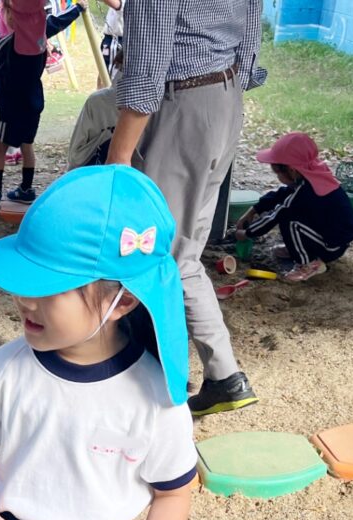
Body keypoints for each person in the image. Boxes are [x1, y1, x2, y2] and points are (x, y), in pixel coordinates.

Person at [0, 165, 196, 520]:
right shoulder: (4, 371)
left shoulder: (155, 398)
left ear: (121, 301)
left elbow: (174, 493)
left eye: (48, 289)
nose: (24, 299)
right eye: (24, 281)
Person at [107, 0, 265, 418]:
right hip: (224, 95)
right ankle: (224, 377)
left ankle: (155, 380)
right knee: (183, 254)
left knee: (150, 251)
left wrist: (118, 158)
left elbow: (148, 68)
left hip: (182, 104)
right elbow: (250, 24)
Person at [0, 0, 90, 207]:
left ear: (11, 15)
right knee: (27, 145)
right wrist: (78, 8)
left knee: (0, 146)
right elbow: (60, 21)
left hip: (10, 103)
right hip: (33, 101)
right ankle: (26, 189)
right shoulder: (42, 37)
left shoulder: (6, 43)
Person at [235, 132, 353, 283]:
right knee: (293, 213)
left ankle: (308, 264)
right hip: (333, 238)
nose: (277, 177)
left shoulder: (306, 191)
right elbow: (282, 194)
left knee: (289, 220)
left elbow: (277, 214)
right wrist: (253, 210)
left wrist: (247, 233)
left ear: (291, 170)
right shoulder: (313, 176)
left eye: (277, 172)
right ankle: (303, 249)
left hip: (331, 246)